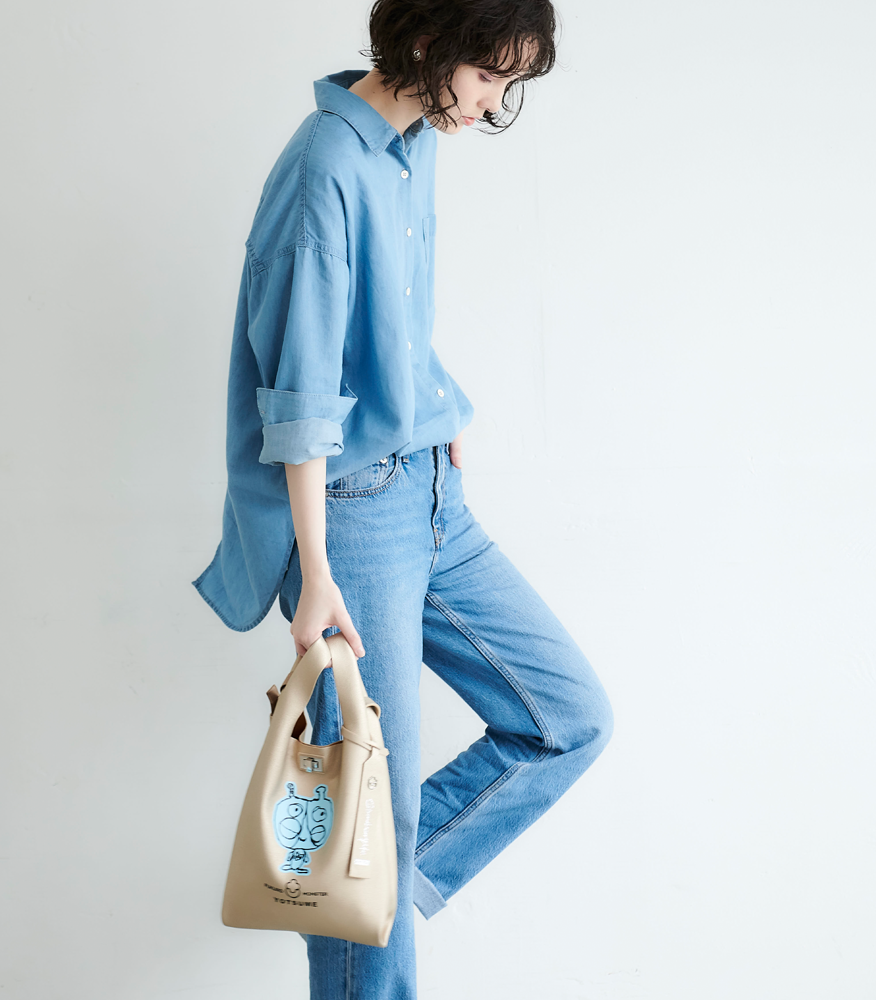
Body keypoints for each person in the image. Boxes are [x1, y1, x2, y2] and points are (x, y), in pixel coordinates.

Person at [191, 1, 614, 996]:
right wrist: (316, 572)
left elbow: (387, 319)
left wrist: (431, 399)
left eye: (509, 83)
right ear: (430, 43)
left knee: (567, 716)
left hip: (431, 494)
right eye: (487, 75)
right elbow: (297, 397)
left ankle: (363, 880)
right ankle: (361, 883)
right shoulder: (323, 170)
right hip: (352, 515)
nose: (492, 103)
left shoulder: (412, 140)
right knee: (363, 806)